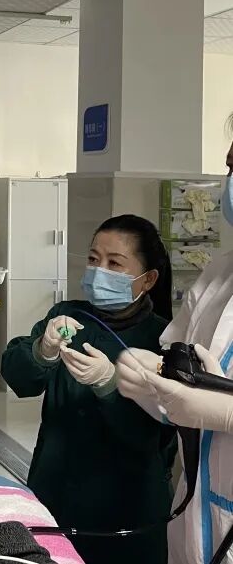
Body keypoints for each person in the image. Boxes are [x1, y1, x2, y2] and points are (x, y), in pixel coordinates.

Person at [1, 214, 178, 564]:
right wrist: (41, 351)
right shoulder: (68, 315)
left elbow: (153, 435)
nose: (100, 272)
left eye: (115, 264)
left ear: (148, 279)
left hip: (128, 508)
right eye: (94, 260)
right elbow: (18, 378)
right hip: (56, 491)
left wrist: (110, 383)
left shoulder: (164, 339)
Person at [116, 144, 233, 564]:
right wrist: (150, 380)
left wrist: (227, 414)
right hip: (197, 511)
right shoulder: (219, 274)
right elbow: (181, 389)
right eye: (232, 166)